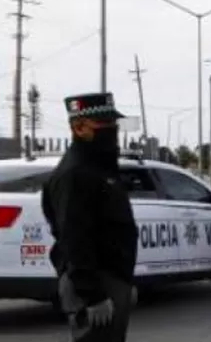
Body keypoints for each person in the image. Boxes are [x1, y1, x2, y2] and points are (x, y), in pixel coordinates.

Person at [41, 93, 138, 342]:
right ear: (79, 127)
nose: (112, 129)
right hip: (94, 282)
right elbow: (75, 238)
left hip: (110, 279)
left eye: (113, 123)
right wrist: (93, 295)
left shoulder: (99, 168)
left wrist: (124, 282)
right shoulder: (74, 174)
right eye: (104, 123)